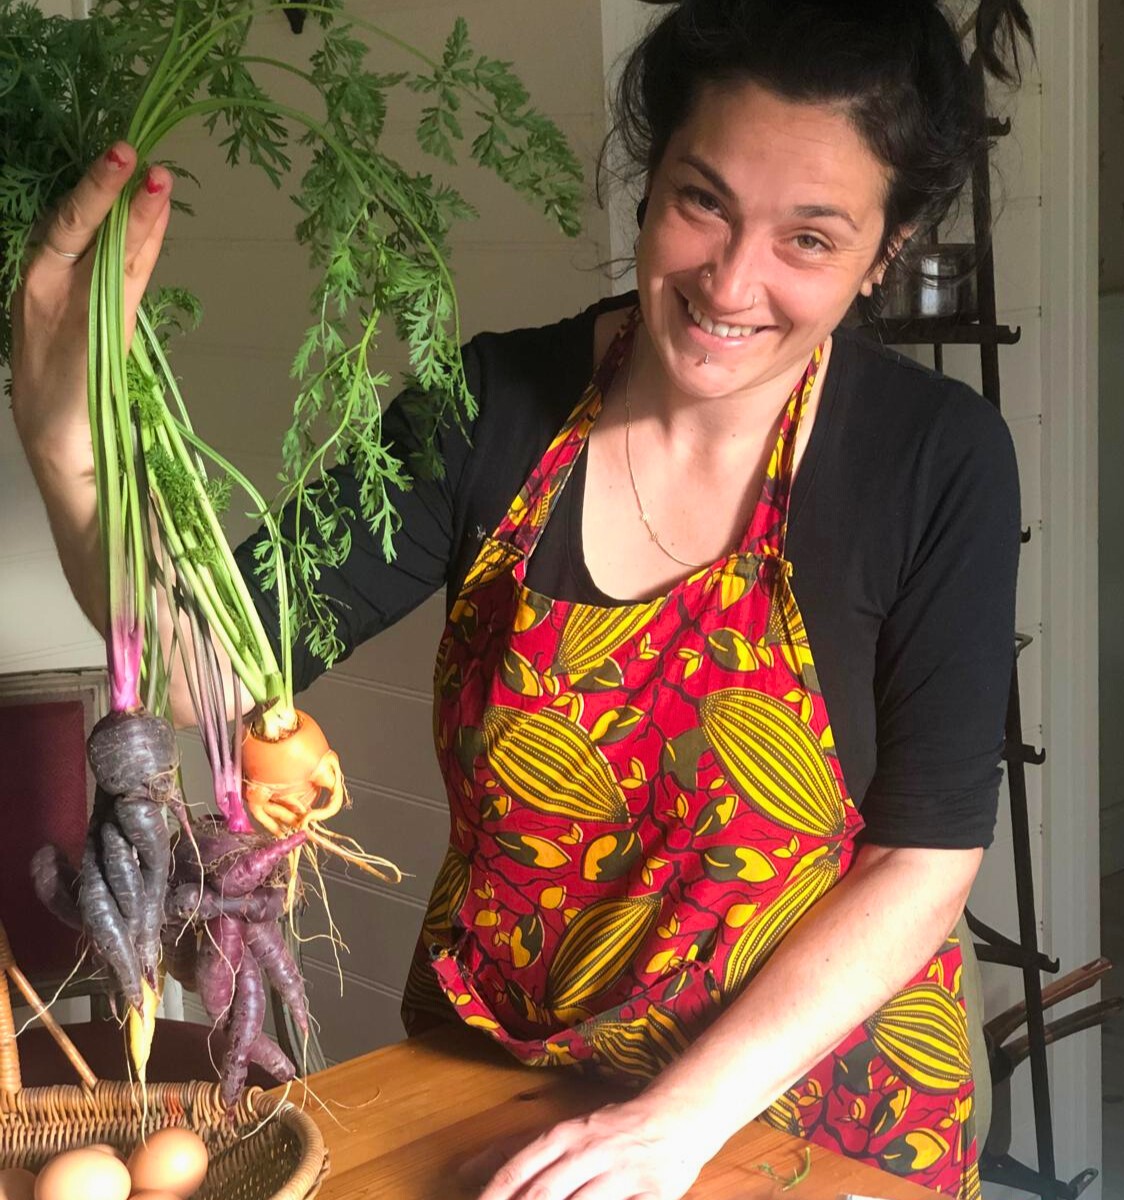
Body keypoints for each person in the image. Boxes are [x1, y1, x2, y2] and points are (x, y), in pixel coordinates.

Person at [12, 1, 1033, 1196]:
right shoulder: (491, 407)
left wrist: (670, 1126)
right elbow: (207, 667)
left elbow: (924, 857)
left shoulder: (935, 460)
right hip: (500, 1081)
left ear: (888, 248)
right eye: (703, 202)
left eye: (809, 239)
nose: (731, 282)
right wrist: (64, 435)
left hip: (804, 1100)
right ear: (651, 180)